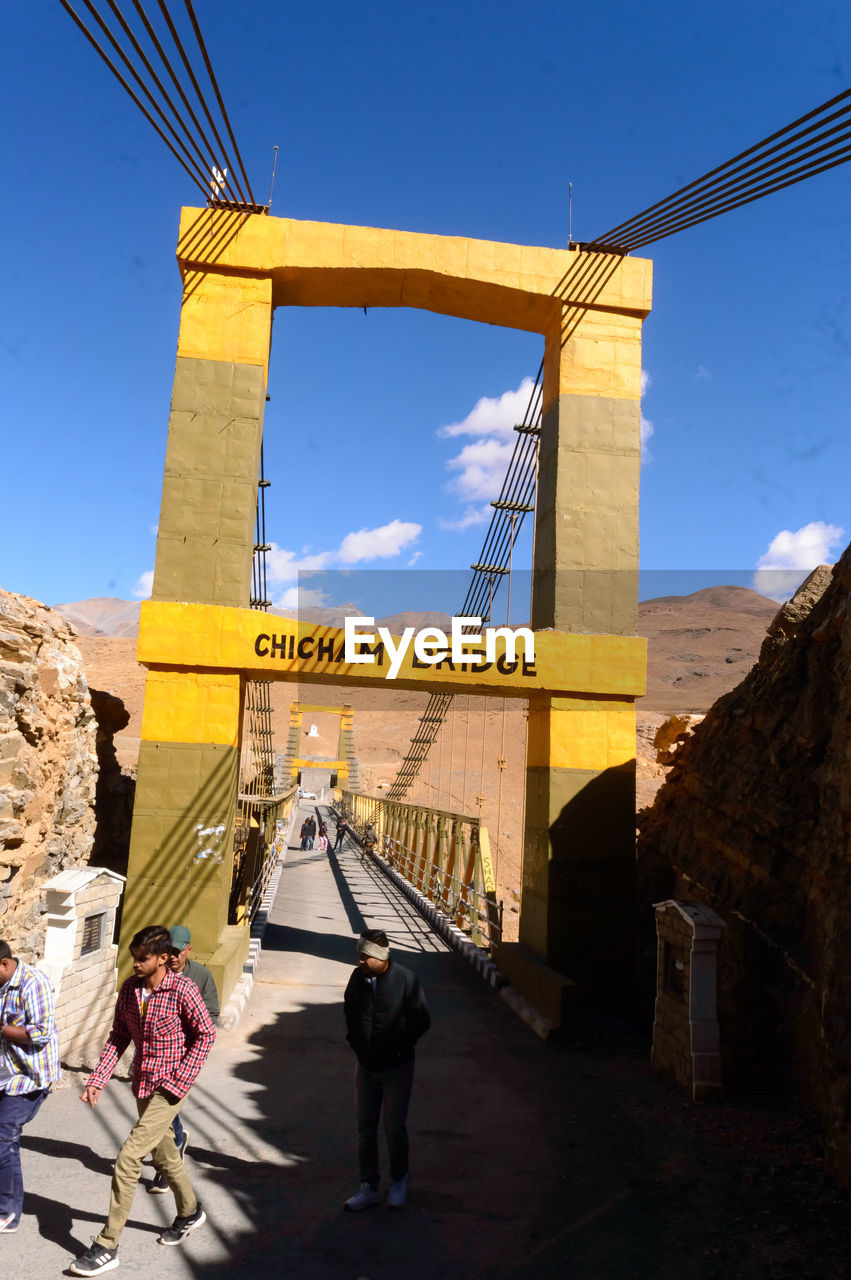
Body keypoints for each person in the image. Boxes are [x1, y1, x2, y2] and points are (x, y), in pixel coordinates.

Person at [70, 924, 216, 1276]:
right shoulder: (130, 990)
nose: (135, 964)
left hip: (170, 1089)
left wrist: (181, 1080)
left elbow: (205, 1035)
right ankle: (190, 1212)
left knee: (128, 1158)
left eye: (142, 958)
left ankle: (107, 1245)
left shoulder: (183, 989)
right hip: (143, 1084)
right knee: (165, 1158)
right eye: (133, 958)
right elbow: (119, 1035)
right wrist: (98, 1079)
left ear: (164, 958)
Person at [343, 929, 430, 1212]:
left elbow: (421, 1020)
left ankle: (399, 1180)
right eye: (359, 956)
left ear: (381, 957)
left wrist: (399, 1047)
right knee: (364, 1130)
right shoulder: (358, 980)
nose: (361, 961)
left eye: (365, 956)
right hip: (365, 1068)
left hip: (397, 1068)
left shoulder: (405, 980)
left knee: (394, 1127)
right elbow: (349, 1011)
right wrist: (355, 1043)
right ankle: (368, 1186)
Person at [146, 926, 220, 1196]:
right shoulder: (155, 972)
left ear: (189, 950)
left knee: (165, 1105)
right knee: (159, 1105)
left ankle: (167, 1161)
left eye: (177, 952)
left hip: (185, 1053)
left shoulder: (201, 976)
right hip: (155, 1052)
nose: (172, 957)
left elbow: (212, 1012)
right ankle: (177, 1139)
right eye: (168, 952)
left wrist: (194, 1035)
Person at [0, 939, 61, 1234]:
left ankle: (8, 1212)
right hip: (3, 1072)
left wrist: (2, 1029)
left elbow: (41, 1033)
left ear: (4, 963)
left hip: (28, 1078)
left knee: (3, 1139)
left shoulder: (32, 983)